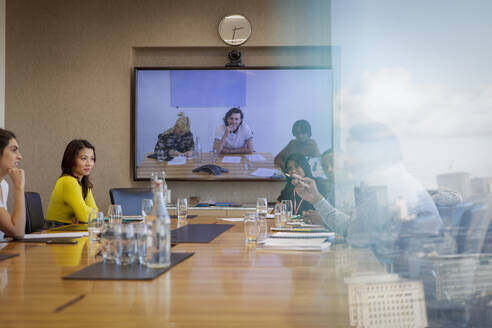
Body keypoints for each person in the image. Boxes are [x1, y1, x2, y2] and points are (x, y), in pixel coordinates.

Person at [293, 123, 448, 257]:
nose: (348, 160)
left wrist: (317, 200)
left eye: (352, 152)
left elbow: (357, 237)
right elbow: (356, 229)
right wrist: (315, 198)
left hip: (407, 276)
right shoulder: (391, 176)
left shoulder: (383, 183)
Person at [46, 139, 98, 226]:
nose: (89, 163)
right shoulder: (68, 181)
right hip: (55, 232)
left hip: (69, 230)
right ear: (71, 160)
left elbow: (95, 210)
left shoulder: (84, 183)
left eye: (92, 159)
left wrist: (86, 214)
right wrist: (85, 215)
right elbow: (85, 216)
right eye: (84, 158)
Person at [0, 129, 26, 239]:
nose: (20, 156)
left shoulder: (3, 185)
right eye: (14, 150)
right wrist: (19, 186)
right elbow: (17, 231)